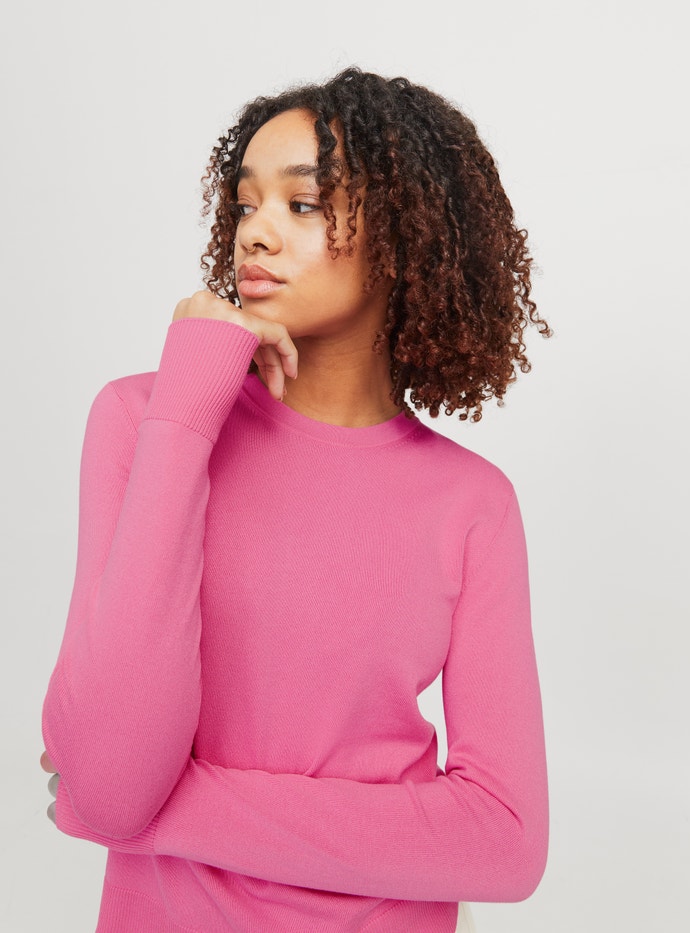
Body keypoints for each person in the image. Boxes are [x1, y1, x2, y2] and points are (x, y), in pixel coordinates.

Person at [40, 66, 550, 933]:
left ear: (405, 238)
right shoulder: (144, 422)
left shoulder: (473, 504)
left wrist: (156, 815)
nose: (256, 232)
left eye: (302, 204)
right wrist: (188, 404)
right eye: (246, 204)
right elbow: (114, 774)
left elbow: (505, 840)